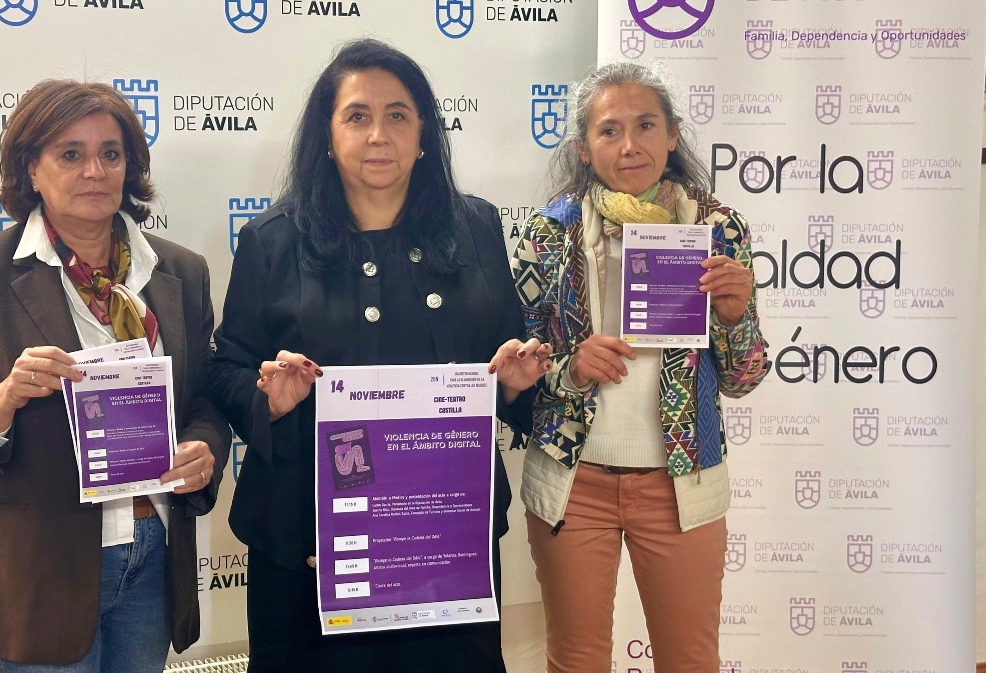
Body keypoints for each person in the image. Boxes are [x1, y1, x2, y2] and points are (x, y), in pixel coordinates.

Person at [208, 39, 550, 672]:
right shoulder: (272, 240)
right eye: (357, 116)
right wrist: (268, 397)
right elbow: (226, 368)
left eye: (398, 115)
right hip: (308, 542)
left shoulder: (476, 229)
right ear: (327, 135)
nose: (378, 134)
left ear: (423, 134)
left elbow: (505, 357)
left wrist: (513, 381)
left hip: (442, 537)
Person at [0, 79, 230, 673]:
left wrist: (204, 447)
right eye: (71, 153)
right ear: (31, 170)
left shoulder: (181, 271)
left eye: (110, 153)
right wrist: (3, 400)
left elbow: (205, 402)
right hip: (42, 568)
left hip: (155, 552)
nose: (94, 171)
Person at [511, 62, 771, 673]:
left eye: (646, 125)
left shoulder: (717, 229)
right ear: (584, 147)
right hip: (574, 482)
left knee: (690, 661)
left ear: (673, 134)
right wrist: (570, 368)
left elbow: (743, 378)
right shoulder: (549, 233)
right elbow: (518, 369)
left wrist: (735, 316)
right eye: (609, 130)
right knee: (574, 661)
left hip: (681, 483)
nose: (629, 145)